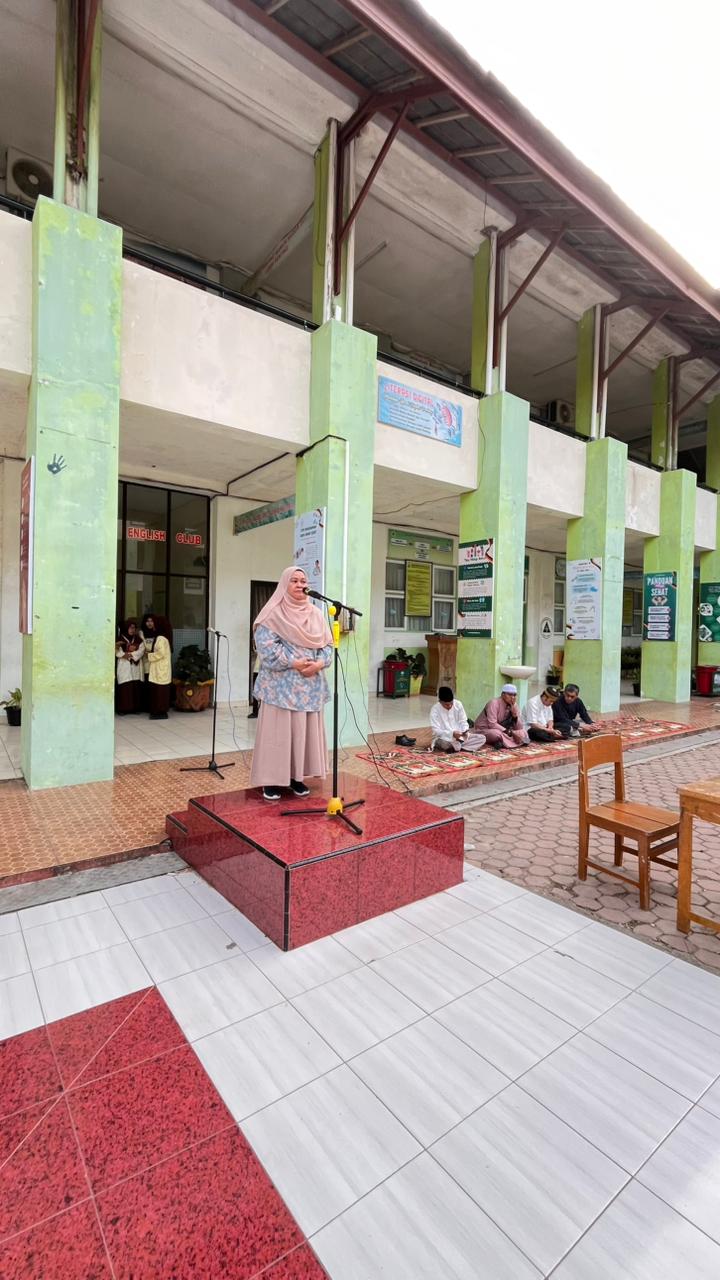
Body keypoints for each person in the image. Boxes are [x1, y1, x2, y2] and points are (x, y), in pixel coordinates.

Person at [250, 566, 333, 802]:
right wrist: (293, 662)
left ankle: (297, 777)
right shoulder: (272, 613)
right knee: (277, 734)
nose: (300, 585)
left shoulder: (316, 614)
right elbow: (266, 648)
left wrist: (319, 664)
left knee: (302, 734)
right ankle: (271, 780)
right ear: (284, 585)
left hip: (309, 687)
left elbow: (327, 645)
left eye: (303, 581)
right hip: (280, 688)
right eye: (294, 581)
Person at [430, 687, 486, 753]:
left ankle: (456, 747)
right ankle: (460, 747)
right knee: (444, 744)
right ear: (440, 702)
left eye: (451, 703)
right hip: (444, 738)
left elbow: (463, 721)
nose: (450, 706)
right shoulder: (435, 710)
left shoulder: (458, 704)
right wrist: (452, 734)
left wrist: (464, 731)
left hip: (460, 738)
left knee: (482, 738)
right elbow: (436, 731)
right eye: (447, 704)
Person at [474, 683, 529, 748]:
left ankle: (502, 742)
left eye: (514, 695)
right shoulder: (493, 703)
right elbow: (492, 724)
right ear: (502, 694)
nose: (512, 697)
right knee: (496, 734)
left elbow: (519, 727)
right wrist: (509, 732)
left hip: (505, 730)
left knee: (523, 731)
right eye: (510, 695)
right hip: (485, 729)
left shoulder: (514, 705)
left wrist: (515, 716)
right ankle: (514, 741)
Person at [141, 613, 173, 720]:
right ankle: (158, 710)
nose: (152, 624)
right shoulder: (162, 637)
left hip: (160, 669)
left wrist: (149, 655)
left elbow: (160, 653)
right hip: (160, 668)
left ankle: (159, 711)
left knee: (159, 691)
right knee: (158, 691)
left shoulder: (161, 638)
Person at [115, 619, 144, 715]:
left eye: (134, 628)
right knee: (125, 687)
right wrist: (123, 655)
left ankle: (135, 708)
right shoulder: (120, 639)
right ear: (126, 628)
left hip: (135, 666)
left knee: (135, 686)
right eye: (130, 628)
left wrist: (131, 655)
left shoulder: (138, 639)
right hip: (124, 665)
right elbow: (116, 650)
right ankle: (123, 709)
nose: (132, 630)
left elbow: (141, 650)